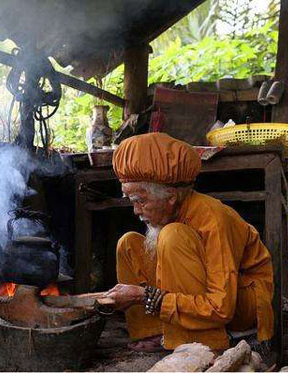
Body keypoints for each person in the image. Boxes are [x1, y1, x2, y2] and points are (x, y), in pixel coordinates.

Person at [105, 133, 274, 352]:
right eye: (131, 201)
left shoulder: (213, 218)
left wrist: (144, 296)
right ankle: (153, 333)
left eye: (141, 201)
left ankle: (200, 345)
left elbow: (221, 307)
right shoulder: (173, 211)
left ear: (171, 196)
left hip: (241, 304)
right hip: (207, 300)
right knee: (128, 243)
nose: (136, 211)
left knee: (172, 235)